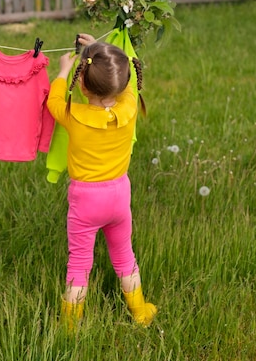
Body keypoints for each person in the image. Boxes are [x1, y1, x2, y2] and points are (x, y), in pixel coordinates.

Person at [47, 34, 157, 330]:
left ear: (81, 82)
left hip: (86, 201)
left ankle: (70, 327)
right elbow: (126, 85)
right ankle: (140, 311)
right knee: (125, 255)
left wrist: (61, 71)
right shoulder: (129, 108)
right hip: (119, 195)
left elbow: (53, 100)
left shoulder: (74, 114)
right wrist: (103, 56)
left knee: (80, 264)